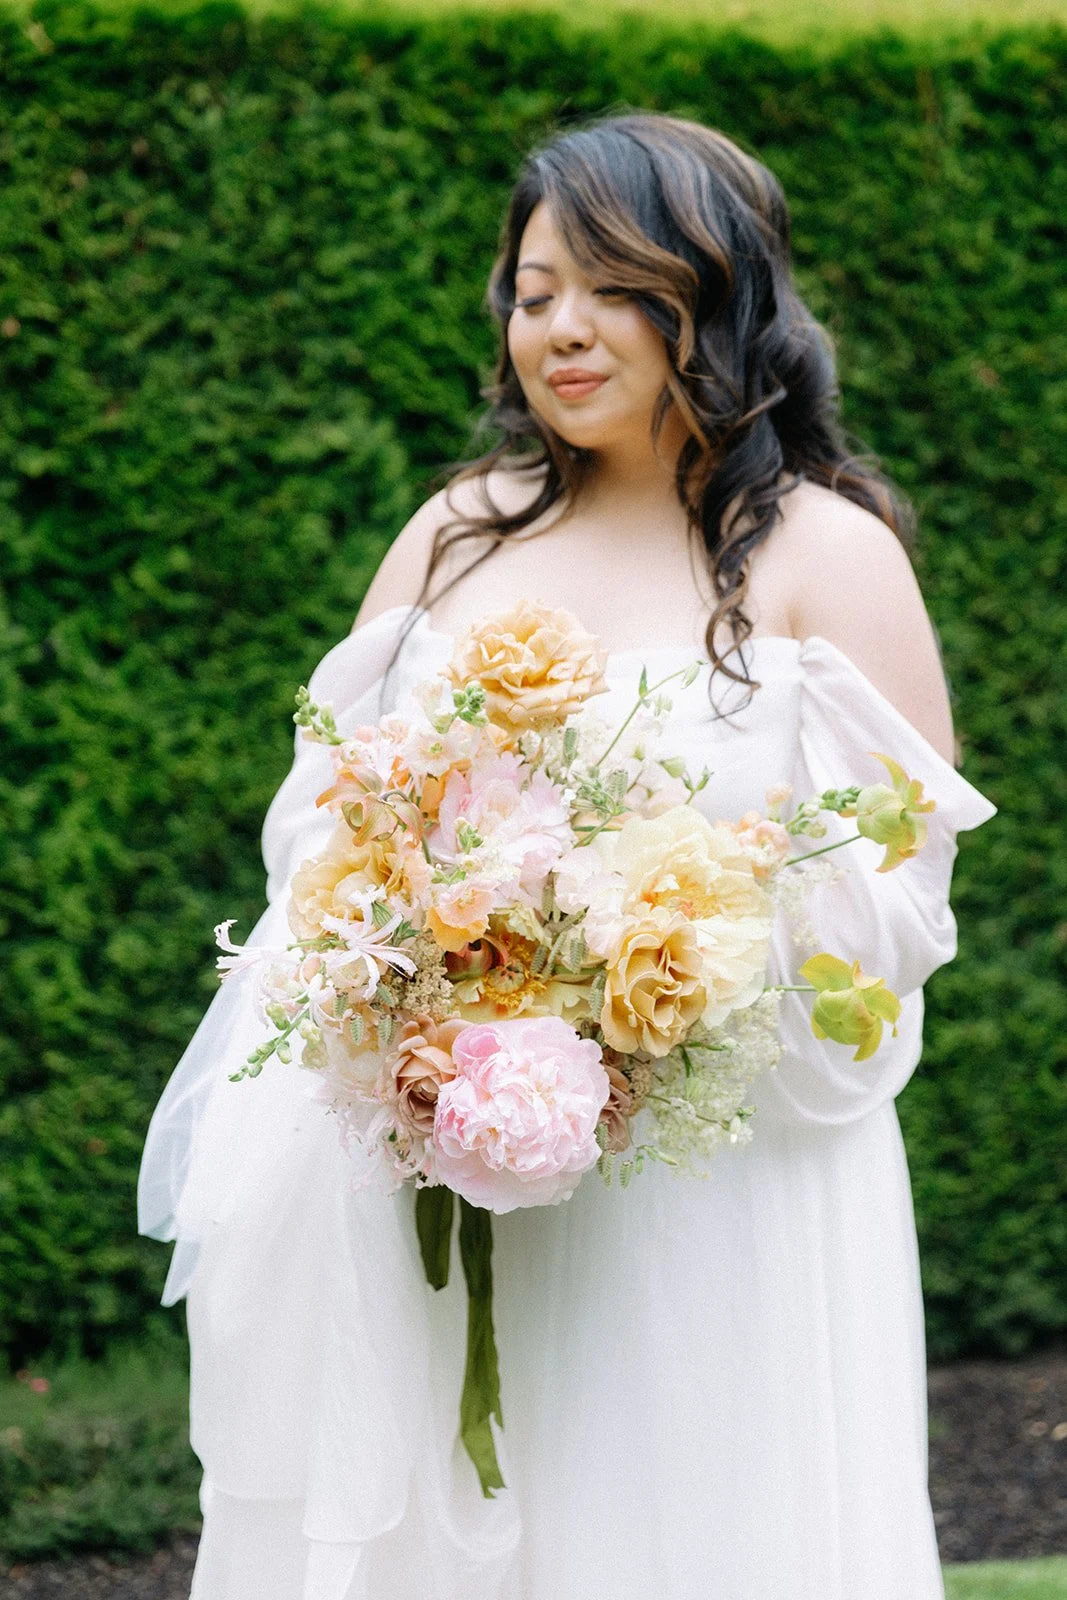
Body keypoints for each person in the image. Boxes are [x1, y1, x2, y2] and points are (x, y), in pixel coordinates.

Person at [137, 112, 998, 1600]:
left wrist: (644, 958)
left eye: (608, 286)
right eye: (534, 293)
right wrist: (434, 973)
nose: (560, 329)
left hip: (725, 1189)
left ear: (713, 295)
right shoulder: (455, 539)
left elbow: (897, 887)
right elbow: (326, 828)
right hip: (459, 1171)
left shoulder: (822, 551)